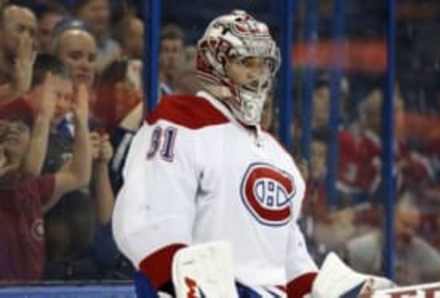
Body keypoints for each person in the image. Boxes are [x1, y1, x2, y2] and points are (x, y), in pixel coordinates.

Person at [113, 10, 392, 297]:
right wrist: (183, 284)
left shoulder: (277, 155)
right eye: (246, 62)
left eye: (264, 65)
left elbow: (288, 262)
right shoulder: (180, 121)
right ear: (214, 63)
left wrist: (326, 288)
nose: (257, 75)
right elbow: (148, 218)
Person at [0, 77, 91, 282]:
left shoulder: (32, 188)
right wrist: (42, 118)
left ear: (31, 144)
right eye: (5, 127)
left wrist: (81, 122)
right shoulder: (16, 180)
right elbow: (29, 170)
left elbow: (79, 175)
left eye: (21, 128)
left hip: (33, 290)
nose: (13, 130)